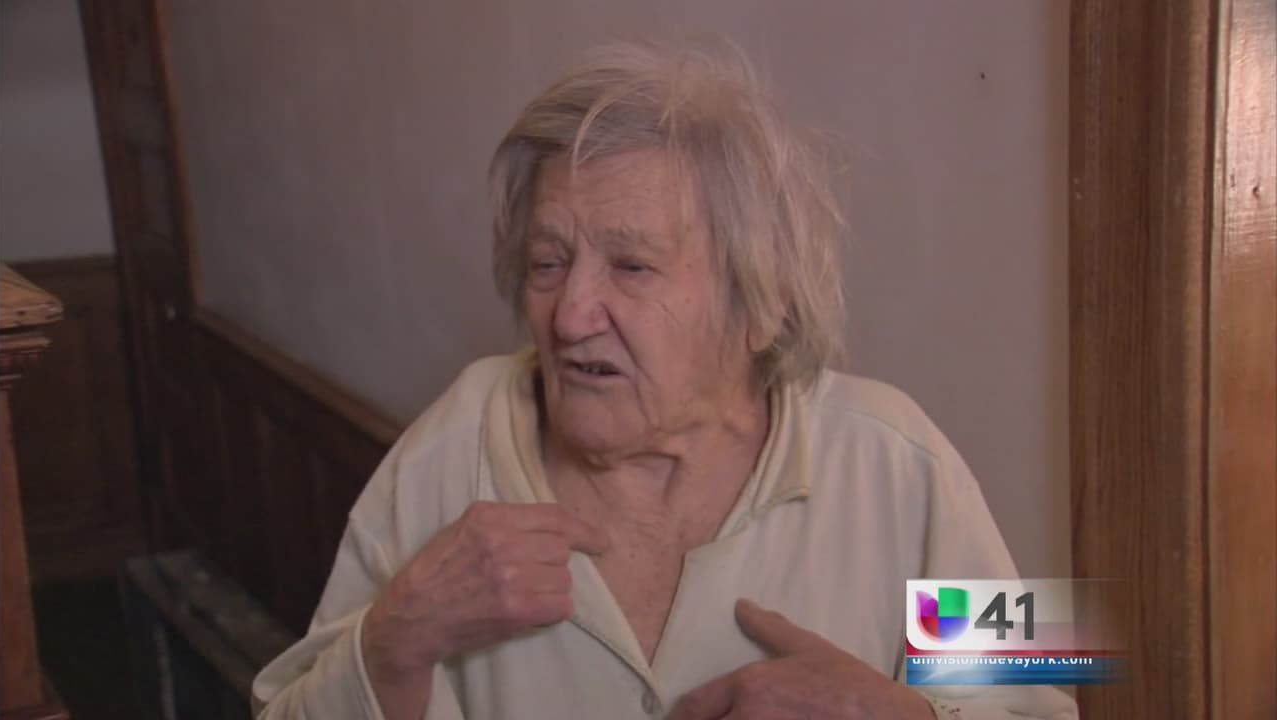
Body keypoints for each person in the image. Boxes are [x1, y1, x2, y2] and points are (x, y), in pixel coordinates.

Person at [253, 37, 1078, 720]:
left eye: (632, 266)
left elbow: (1044, 704)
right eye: (548, 262)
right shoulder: (449, 451)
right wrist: (393, 644)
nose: (570, 316)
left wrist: (902, 716)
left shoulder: (899, 463)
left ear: (760, 302)